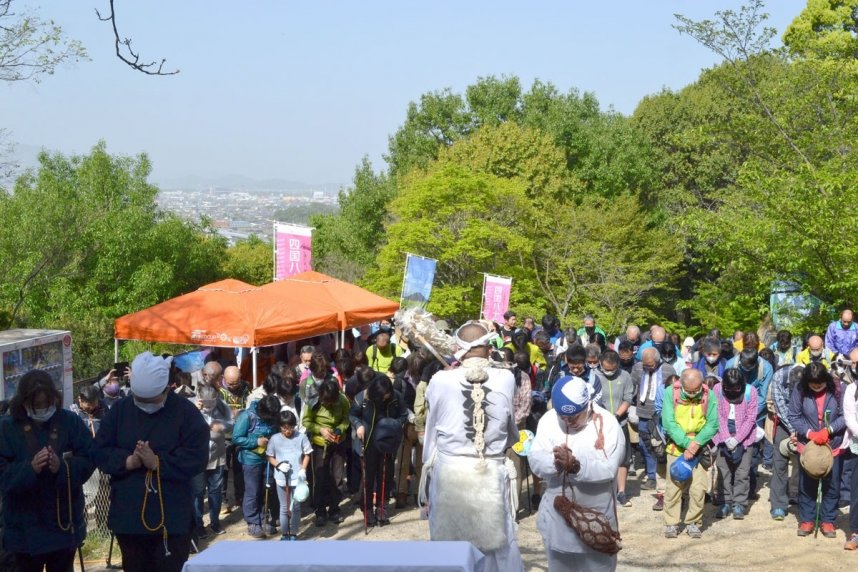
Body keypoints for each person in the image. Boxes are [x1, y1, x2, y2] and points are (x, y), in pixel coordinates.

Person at [92, 352, 209, 572]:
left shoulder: (185, 412)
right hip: (130, 515)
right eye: (141, 400)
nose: (145, 405)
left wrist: (158, 462)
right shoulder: (120, 410)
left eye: (151, 399)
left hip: (171, 516)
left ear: (166, 388)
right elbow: (100, 450)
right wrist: (127, 462)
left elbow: (197, 456)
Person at [421, 321, 523, 572]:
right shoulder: (506, 378)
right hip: (490, 465)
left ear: (459, 348)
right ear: (489, 347)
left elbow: (431, 426)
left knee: (449, 547)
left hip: (450, 468)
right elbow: (511, 429)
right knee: (497, 548)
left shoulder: (440, 380)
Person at [0, 370, 95, 572]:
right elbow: (3, 476)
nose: (43, 409)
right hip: (23, 531)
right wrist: (30, 468)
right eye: (37, 405)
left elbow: (89, 458)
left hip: (63, 525)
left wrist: (62, 467)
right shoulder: (6, 428)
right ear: (24, 401)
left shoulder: (69, 422)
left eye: (46, 404)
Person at [530, 375, 625, 572]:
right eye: (563, 417)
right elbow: (535, 459)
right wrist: (556, 464)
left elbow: (609, 468)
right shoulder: (548, 421)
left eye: (574, 416)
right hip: (558, 521)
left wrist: (576, 466)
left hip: (596, 521)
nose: (568, 422)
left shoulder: (608, 423)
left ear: (588, 405)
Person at [788, 362, 846, 538]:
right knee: (807, 484)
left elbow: (845, 416)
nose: (817, 386)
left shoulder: (838, 389)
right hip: (808, 445)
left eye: (820, 383)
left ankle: (828, 520)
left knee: (832, 484)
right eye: (813, 383)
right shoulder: (800, 389)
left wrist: (828, 430)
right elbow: (794, 416)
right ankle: (807, 519)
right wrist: (810, 433)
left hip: (833, 444)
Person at [661, 368, 718, 538]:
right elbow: (669, 423)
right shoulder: (671, 393)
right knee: (674, 486)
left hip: (699, 447)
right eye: (690, 391)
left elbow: (713, 424)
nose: (694, 394)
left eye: (697, 390)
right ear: (682, 385)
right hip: (676, 446)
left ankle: (694, 522)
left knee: (698, 488)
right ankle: (671, 523)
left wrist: (696, 444)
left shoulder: (709, 395)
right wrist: (687, 444)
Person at [350, 374, 407, 526]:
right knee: (368, 477)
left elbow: (404, 415)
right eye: (380, 396)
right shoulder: (363, 397)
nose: (383, 398)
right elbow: (353, 414)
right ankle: (367, 509)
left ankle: (382, 507)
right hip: (368, 442)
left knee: (386, 475)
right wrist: (358, 425)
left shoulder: (396, 397)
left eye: (385, 395)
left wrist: (394, 425)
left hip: (387, 441)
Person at [629, 348, 676, 497]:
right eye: (646, 365)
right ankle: (651, 476)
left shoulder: (668, 369)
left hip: (660, 415)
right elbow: (633, 386)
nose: (648, 368)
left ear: (658, 360)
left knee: (660, 447)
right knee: (645, 445)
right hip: (643, 412)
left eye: (651, 365)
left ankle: (663, 477)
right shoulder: (637, 368)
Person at [302, 379, 350, 527]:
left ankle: (335, 509)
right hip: (319, 445)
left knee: (337, 478)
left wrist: (339, 429)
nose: (329, 405)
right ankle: (320, 512)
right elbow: (306, 421)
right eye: (326, 402)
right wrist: (320, 430)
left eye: (331, 402)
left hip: (337, 444)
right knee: (320, 478)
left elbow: (346, 419)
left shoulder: (343, 400)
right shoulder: (313, 402)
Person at [232, 394, 281, 538]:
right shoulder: (247, 416)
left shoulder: (273, 415)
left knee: (267, 488)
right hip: (251, 459)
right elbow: (236, 438)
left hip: (268, 459)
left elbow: (276, 431)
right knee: (252, 491)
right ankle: (253, 522)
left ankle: (264, 518)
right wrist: (255, 441)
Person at [712, 369, 758, 520]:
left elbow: (751, 418)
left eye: (736, 388)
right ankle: (724, 502)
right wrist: (726, 438)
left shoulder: (751, 392)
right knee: (723, 471)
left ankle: (739, 503)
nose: (732, 391)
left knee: (742, 473)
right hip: (721, 436)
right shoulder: (717, 389)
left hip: (745, 437)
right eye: (729, 388)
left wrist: (737, 439)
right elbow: (716, 414)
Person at [191, 384, 232, 538]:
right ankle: (198, 524)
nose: (208, 406)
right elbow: (182, 425)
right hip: (197, 457)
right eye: (205, 403)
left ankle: (215, 522)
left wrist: (221, 426)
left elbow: (231, 423)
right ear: (199, 398)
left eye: (211, 403)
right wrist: (196, 410)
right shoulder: (190, 407)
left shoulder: (222, 407)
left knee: (215, 491)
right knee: (198, 492)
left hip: (217, 455)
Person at [596, 350, 633, 507]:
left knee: (622, 459)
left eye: (612, 369)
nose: (609, 372)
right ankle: (603, 493)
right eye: (606, 368)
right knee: (600, 458)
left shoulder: (625, 376)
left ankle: (621, 492)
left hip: (620, 422)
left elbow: (628, 398)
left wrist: (617, 415)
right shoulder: (594, 377)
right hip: (599, 424)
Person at [266, 411, 311, 541]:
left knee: (296, 507)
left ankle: (294, 533)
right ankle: (285, 533)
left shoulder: (301, 437)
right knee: (284, 507)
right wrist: (278, 465)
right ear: (279, 426)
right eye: (284, 428)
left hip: (297, 477)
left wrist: (303, 469)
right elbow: (270, 456)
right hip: (281, 478)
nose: (288, 431)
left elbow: (307, 454)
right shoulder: (274, 439)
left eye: (290, 427)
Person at [769, 364, 804, 520]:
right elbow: (780, 406)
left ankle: (799, 497)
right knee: (779, 462)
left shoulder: (810, 375)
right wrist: (792, 430)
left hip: (804, 420)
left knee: (804, 462)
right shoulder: (778, 377)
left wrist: (801, 429)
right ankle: (778, 505)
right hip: (783, 421)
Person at [218, 365, 251, 515]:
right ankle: (223, 500)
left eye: (236, 383)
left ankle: (240, 496)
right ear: (224, 379)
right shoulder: (218, 390)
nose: (233, 386)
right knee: (222, 469)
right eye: (230, 383)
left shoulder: (246, 387)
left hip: (241, 434)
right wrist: (232, 413)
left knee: (240, 468)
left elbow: (251, 405)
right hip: (223, 436)